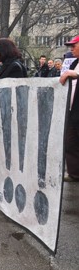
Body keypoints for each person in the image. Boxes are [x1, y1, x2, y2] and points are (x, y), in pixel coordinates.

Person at [58, 35, 79, 182]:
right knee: (70, 142)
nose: (71, 49)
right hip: (73, 111)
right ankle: (74, 173)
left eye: (74, 45)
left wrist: (77, 74)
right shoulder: (74, 63)